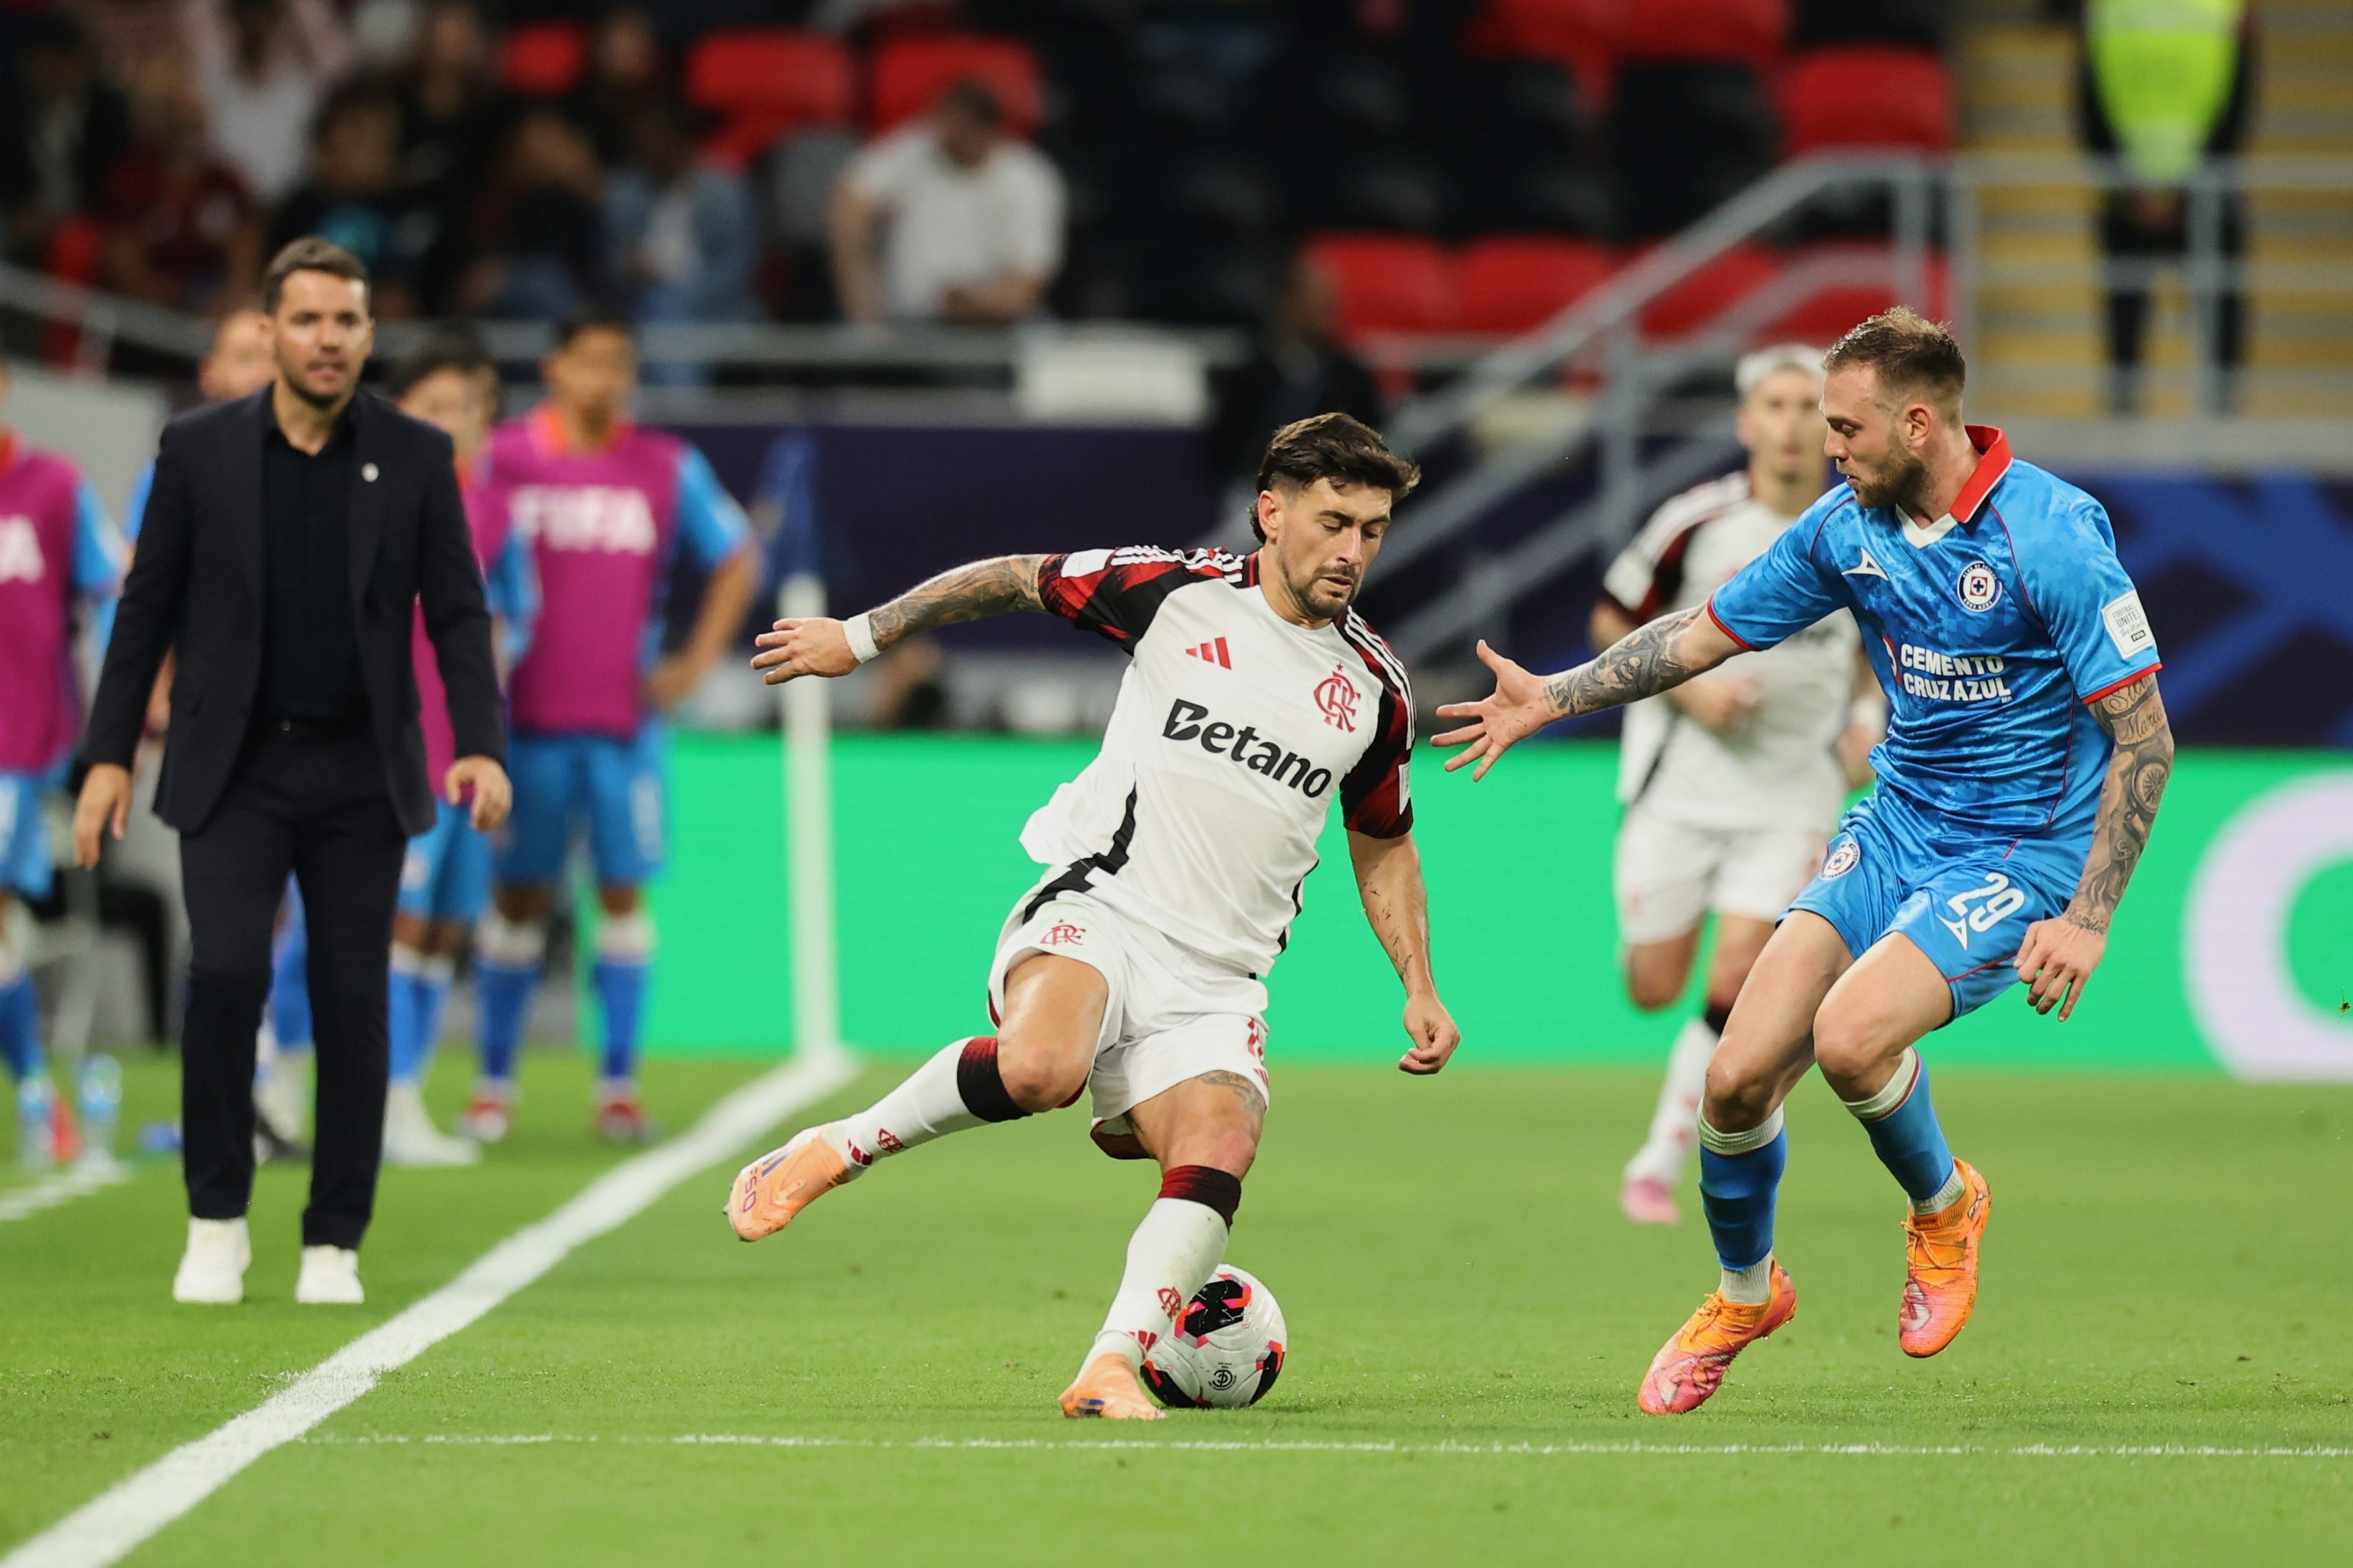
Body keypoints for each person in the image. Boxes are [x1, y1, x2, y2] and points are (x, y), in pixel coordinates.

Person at [1434, 310, 2172, 1414]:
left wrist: (2087, 916)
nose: (1826, 447)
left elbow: (2143, 735)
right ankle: (1746, 1292)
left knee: (1848, 1038)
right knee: (1733, 1078)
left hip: (2016, 851)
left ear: (1915, 424)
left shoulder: (2050, 532)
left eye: (1844, 427)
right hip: (1893, 825)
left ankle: (1943, 1204)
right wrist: (1554, 695)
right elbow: (1698, 632)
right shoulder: (1844, 528)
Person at [729, 412, 1462, 1423]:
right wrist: (859, 637)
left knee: (1221, 1141)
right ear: (1270, 512)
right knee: (1040, 1069)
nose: (1351, 551)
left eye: (1371, 530)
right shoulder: (1172, 592)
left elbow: (1381, 838)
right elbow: (1013, 576)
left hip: (1220, 977)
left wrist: (1417, 983)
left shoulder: (1373, 686)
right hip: (1103, 903)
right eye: (1332, 522)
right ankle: (839, 1145)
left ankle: (1109, 1364)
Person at [74, 238, 512, 1307]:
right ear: (269, 331)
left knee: (351, 996)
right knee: (225, 975)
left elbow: (458, 611)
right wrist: (107, 756)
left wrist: (480, 740)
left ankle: (333, 1239)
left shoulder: (416, 453)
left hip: (364, 770)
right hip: (234, 766)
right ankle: (216, 1218)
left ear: (368, 334)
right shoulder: (196, 448)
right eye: (307, 320)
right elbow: (144, 611)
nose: (328, 339)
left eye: (346, 321)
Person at [1591, 346, 1881, 1227]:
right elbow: (1611, 618)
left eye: (1809, 408)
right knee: (1652, 985)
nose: (1792, 425)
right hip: (1680, 790)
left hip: (1793, 795)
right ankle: (1655, 963)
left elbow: (1883, 647)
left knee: (1737, 979)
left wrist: (1868, 718)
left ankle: (1656, 1159)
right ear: (1745, 422)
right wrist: (1692, 688)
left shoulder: (1866, 528)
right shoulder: (1697, 521)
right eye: (1775, 406)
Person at [462, 310, 755, 1145]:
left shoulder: (664, 466)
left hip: (625, 727)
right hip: (523, 721)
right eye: (588, 361)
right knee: (516, 897)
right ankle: (493, 1086)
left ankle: (618, 1086)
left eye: (619, 363)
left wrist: (693, 663)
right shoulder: (501, 458)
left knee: (622, 893)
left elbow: (737, 555)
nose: (604, 378)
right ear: (553, 366)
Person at [382, 328, 533, 1167]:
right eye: (433, 406)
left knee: (444, 929)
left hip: (469, 750)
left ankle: (406, 1096)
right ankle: (379, 1100)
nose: (451, 422)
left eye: (466, 408)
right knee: (396, 927)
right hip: (398, 745)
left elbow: (519, 617)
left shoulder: (496, 512)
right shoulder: (371, 499)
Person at [0, 360, 126, 1169]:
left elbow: (114, 593)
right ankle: (41, 1096)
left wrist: (123, 711)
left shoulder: (57, 487)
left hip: (16, 742)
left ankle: (39, 1098)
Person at [2077, 0, 2255, 414]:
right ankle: (2147, 411)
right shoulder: (2224, 8)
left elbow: (2087, 98)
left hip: (2153, 188)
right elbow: (2241, 96)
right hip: (2176, 187)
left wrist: (2131, 179)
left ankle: (2210, 411)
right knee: (2135, 310)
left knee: (2209, 304)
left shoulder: (2107, 9)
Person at [829, 79, 1064, 326]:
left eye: (959, 126)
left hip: (999, 327)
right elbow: (849, 207)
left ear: (986, 129)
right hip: (906, 322)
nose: (942, 133)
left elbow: (1026, 281)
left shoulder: (1029, 178)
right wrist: (863, 302)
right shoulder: (912, 150)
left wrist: (977, 306)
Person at [601, 96, 760, 380]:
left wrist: (682, 293)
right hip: (640, 307)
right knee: (659, 310)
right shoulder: (624, 194)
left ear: (676, 140)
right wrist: (630, 271)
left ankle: (676, 403)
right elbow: (607, 267)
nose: (645, 151)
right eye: (639, 143)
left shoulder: (723, 190)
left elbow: (736, 269)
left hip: (717, 309)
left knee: (668, 309)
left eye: (653, 141)